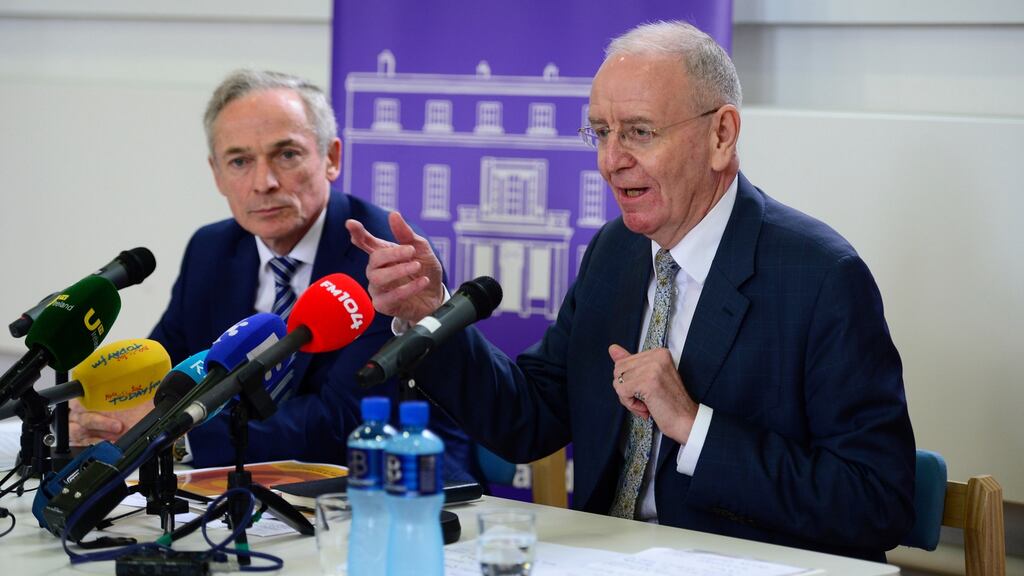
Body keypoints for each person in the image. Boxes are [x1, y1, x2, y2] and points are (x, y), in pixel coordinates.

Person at [346, 21, 915, 561]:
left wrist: (694, 426)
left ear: (722, 134)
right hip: (602, 559)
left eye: (639, 132)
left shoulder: (819, 276)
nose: (610, 161)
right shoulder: (615, 250)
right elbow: (529, 417)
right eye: (600, 133)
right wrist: (434, 315)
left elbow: (875, 501)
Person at [68, 69, 475, 477]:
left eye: (287, 155)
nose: (264, 182)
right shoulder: (212, 250)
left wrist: (176, 434)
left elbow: (339, 420)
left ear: (331, 158)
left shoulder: (386, 258)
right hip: (241, 484)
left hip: (392, 487)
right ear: (217, 174)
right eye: (240, 161)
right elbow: (166, 363)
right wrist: (106, 413)